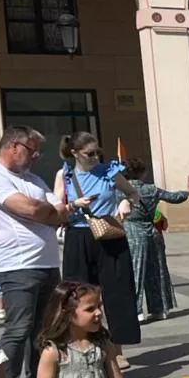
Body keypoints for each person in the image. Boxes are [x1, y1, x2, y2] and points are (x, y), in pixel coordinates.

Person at [0, 127, 94, 378]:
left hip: (47, 263)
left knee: (45, 330)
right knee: (18, 329)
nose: (36, 158)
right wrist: (53, 212)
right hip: (17, 266)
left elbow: (56, 207)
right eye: (32, 151)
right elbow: (32, 209)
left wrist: (54, 211)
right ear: (14, 146)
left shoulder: (32, 179)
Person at [55, 132, 141, 352]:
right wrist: (74, 204)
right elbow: (57, 210)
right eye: (89, 153)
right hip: (79, 235)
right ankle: (82, 344)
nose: (94, 157)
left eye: (97, 153)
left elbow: (133, 193)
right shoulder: (64, 175)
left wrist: (126, 203)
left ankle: (116, 348)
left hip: (109, 234)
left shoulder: (108, 172)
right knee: (77, 293)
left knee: (118, 290)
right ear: (74, 153)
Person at [122, 159, 189, 323]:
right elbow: (174, 197)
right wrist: (188, 191)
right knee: (157, 271)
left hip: (132, 232)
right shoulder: (150, 189)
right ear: (142, 172)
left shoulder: (120, 190)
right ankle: (160, 308)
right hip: (152, 231)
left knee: (135, 271)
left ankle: (136, 309)